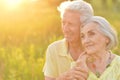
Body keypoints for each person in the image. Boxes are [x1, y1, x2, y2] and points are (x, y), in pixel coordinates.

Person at [43, 0, 94, 80]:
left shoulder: (97, 50)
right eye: (63, 23)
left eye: (71, 24)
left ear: (85, 26)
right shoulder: (53, 49)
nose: (65, 29)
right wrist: (63, 78)